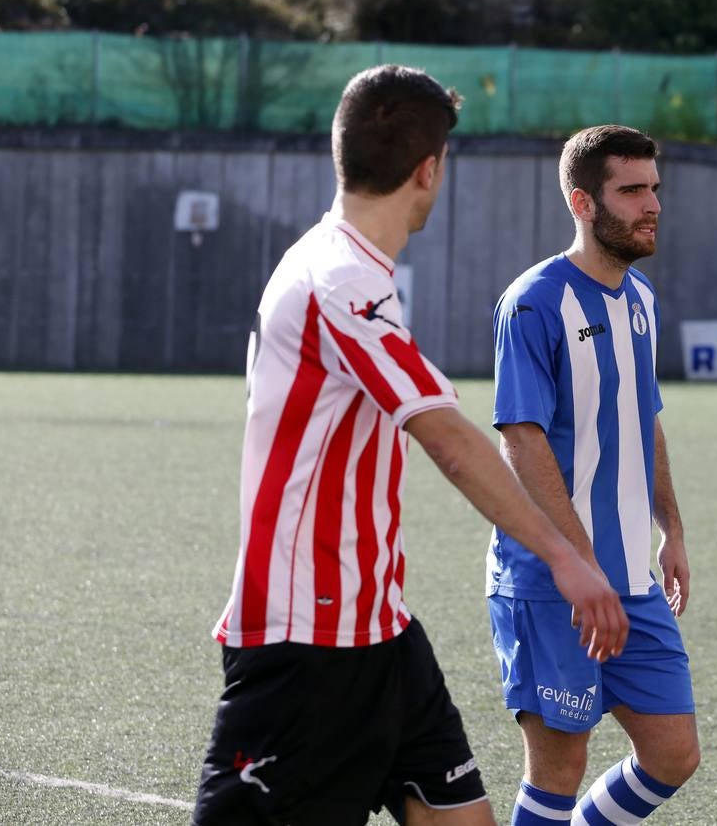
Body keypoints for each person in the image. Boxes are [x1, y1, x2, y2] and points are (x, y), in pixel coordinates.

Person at [191, 66, 627, 826]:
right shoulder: (340, 281)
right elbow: (453, 443)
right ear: (431, 170)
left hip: (380, 627)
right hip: (307, 639)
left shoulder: (344, 266)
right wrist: (567, 558)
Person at [486, 125, 700, 825]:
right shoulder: (535, 301)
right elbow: (521, 439)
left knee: (673, 753)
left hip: (632, 578)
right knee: (557, 769)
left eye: (655, 188)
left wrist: (671, 530)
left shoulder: (641, 300)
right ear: (583, 202)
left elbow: (646, 419)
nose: (652, 205)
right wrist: (577, 562)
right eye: (632, 190)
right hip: (553, 581)